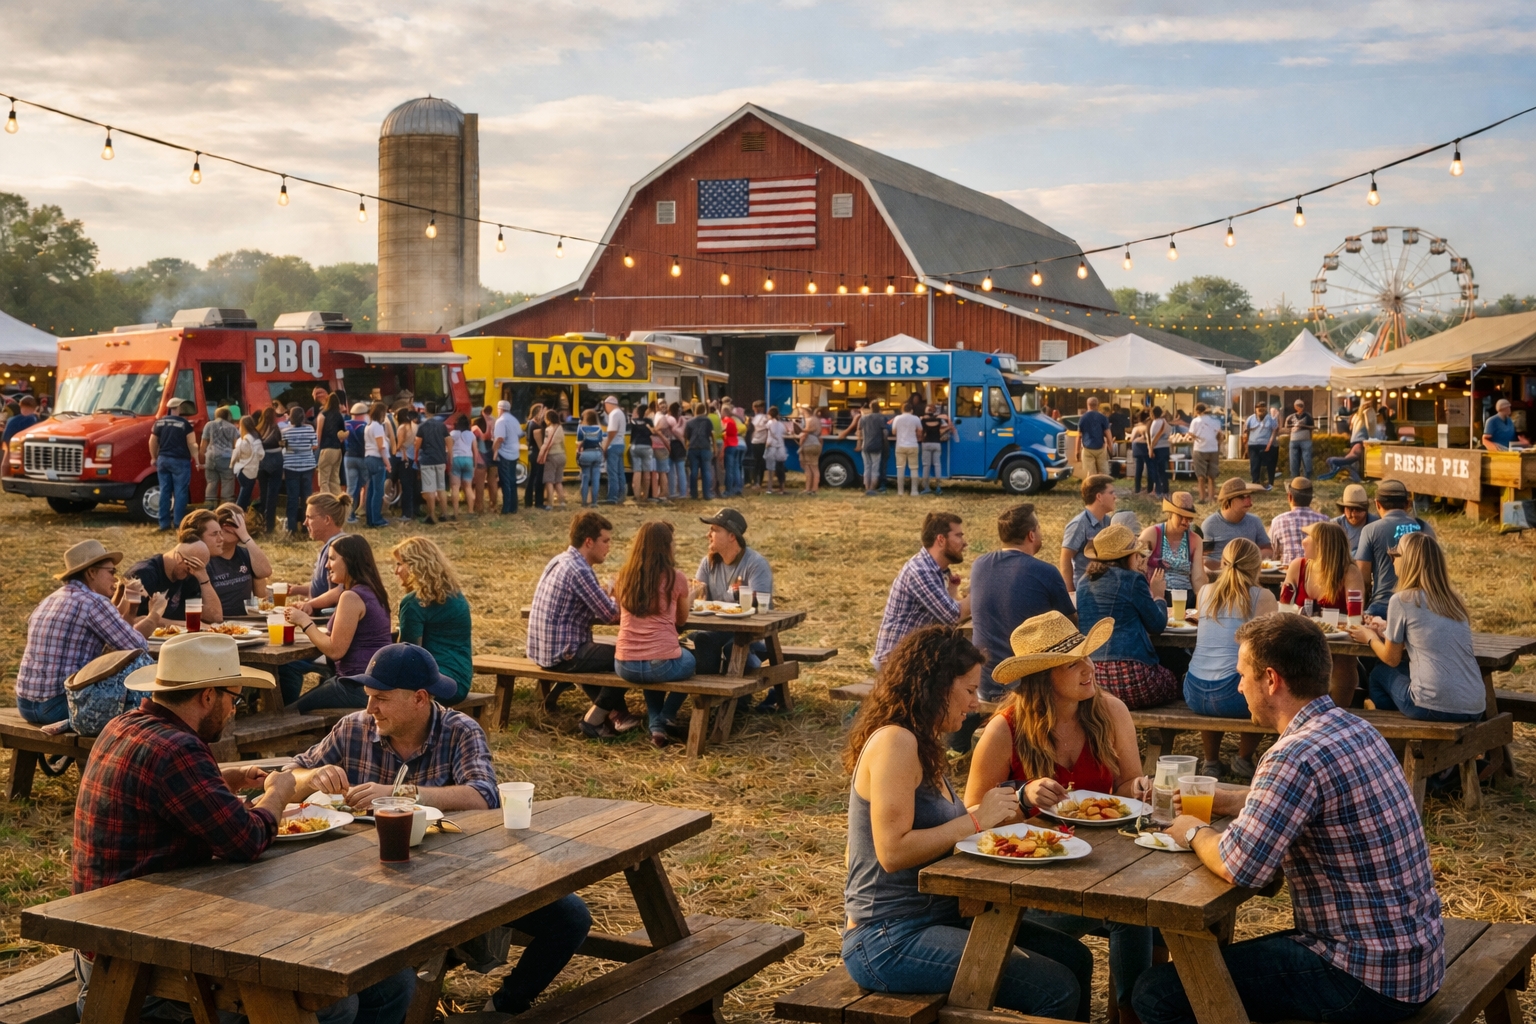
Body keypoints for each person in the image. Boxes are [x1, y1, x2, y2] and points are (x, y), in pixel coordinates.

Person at [70, 632, 419, 1024]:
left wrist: (222, 779)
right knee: (338, 1004)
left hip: (113, 936)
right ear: (207, 696)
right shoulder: (178, 750)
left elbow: (176, 797)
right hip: (144, 960)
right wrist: (279, 792)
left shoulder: (126, 726)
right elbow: (248, 840)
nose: (234, 710)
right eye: (233, 699)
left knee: (392, 982)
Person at [1134, 614, 1445, 1024]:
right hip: (1412, 960)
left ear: (1271, 679)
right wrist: (1230, 800)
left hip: (1363, 978)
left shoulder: (1291, 755)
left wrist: (1192, 830)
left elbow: (1240, 866)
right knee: (1209, 972)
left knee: (1159, 993)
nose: (1238, 685)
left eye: (1242, 674)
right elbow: (1307, 798)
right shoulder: (1354, 728)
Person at [285, 643, 584, 1017]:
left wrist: (401, 794)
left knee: (570, 917)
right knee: (389, 979)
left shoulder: (459, 731)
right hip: (366, 884)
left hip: (461, 878)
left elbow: (484, 795)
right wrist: (312, 776)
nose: (369, 708)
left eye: (381, 698)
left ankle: (505, 1007)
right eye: (368, 697)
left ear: (420, 699)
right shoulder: (353, 729)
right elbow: (284, 780)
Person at [841, 625, 1083, 1021]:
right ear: (935, 685)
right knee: (1055, 987)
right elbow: (892, 851)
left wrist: (1015, 801)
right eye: (969, 690)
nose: (975, 703)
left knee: (1074, 958)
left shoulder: (922, 742)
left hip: (939, 917)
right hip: (887, 938)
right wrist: (975, 819)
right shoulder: (895, 742)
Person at [968, 612, 1155, 1016]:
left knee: (1139, 914)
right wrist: (1021, 796)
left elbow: (1127, 787)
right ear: (1041, 676)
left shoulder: (1111, 711)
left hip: (1102, 869)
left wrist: (1138, 789)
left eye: (1087, 656)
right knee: (1124, 926)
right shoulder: (1004, 730)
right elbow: (970, 817)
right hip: (1033, 886)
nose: (1089, 668)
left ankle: (1130, 1015)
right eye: (1074, 662)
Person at [1349, 532, 1484, 724]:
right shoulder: (1454, 602)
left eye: (1395, 555)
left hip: (1430, 707)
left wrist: (1369, 636)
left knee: (1379, 673)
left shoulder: (1402, 600)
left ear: (1409, 562)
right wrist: (1387, 627)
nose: (1392, 560)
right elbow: (1428, 633)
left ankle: (1392, 730)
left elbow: (1392, 658)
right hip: (1475, 706)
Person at [527, 512, 642, 737]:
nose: (609, 547)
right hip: (562, 654)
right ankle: (596, 718)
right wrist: (621, 591)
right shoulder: (579, 570)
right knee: (631, 655)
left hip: (543, 650)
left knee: (603, 651)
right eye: (605, 541)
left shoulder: (560, 560)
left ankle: (618, 715)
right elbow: (610, 615)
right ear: (589, 542)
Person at [16, 540, 156, 725]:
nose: (115, 578)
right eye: (111, 572)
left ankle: (64, 754)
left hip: (25, 704)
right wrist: (155, 616)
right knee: (144, 687)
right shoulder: (92, 602)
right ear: (91, 572)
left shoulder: (50, 599)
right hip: (58, 705)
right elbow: (138, 647)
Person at [965, 504, 1076, 712]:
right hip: (1029, 690)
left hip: (986, 683)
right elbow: (1071, 626)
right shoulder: (1045, 572)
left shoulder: (979, 565)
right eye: (1039, 528)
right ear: (1031, 534)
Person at [1184, 538, 1278, 780]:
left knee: (1217, 669)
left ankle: (1211, 761)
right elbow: (1264, 651)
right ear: (1257, 566)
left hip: (1194, 690)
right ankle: (1243, 758)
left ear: (1222, 564)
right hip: (1229, 694)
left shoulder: (1205, 591)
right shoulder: (1262, 596)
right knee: (1266, 683)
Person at [280, 535, 394, 709]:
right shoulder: (373, 591)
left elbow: (335, 651)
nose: (327, 565)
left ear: (349, 560)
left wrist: (304, 621)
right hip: (374, 682)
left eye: (332, 559)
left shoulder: (351, 597)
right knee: (293, 673)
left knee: (287, 715)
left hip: (356, 686)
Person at [1074, 525, 1179, 708]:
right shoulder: (1132, 580)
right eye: (1137, 554)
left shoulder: (1083, 583)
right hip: (1131, 676)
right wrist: (1158, 596)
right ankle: (1162, 733)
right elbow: (1157, 624)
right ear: (1128, 556)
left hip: (1093, 678)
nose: (1138, 558)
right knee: (1174, 678)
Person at [613, 521, 694, 747]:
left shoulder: (624, 576)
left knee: (651, 665)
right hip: (659, 663)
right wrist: (692, 594)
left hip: (624, 664)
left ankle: (657, 729)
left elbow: (620, 612)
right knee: (691, 661)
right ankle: (666, 715)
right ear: (666, 546)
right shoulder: (675, 578)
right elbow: (682, 620)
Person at [689, 508, 775, 696]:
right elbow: (697, 599)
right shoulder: (708, 563)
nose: (708, 535)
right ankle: (707, 698)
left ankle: (738, 703)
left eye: (714, 530)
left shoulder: (755, 564)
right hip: (717, 630)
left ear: (731, 536)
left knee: (733, 646)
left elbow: (761, 605)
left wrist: (738, 597)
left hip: (749, 632)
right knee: (702, 639)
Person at [1285, 520, 1367, 706]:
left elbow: (1355, 619)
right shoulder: (1298, 566)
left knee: (1344, 663)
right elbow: (1284, 610)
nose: (1303, 542)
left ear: (1322, 545)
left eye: (1308, 537)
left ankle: (1337, 714)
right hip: (1303, 642)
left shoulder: (1350, 572)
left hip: (1339, 646)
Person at [873, 512, 970, 669]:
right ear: (941, 539)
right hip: (896, 663)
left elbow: (949, 610)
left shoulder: (936, 570)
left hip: (913, 656)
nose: (964, 543)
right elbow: (953, 616)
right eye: (958, 536)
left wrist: (954, 591)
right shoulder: (921, 570)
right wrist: (982, 589)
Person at [392, 537, 473, 705]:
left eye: (400, 564)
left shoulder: (414, 602)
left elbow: (409, 656)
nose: (396, 571)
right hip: (461, 680)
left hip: (435, 683)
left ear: (416, 565)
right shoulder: (456, 596)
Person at [1356, 479, 1435, 618]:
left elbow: (1364, 578)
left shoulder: (1370, 530)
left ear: (1377, 504)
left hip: (1382, 608)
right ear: (1407, 504)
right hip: (1418, 608)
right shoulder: (1425, 528)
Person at [128, 535, 224, 624]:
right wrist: (183, 625)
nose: (192, 571)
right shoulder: (144, 574)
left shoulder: (192, 574)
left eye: (200, 567)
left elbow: (215, 617)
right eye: (191, 566)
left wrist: (204, 579)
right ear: (178, 557)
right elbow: (127, 619)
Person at [1138, 492, 1208, 607]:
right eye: (1181, 516)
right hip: (1155, 594)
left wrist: (1201, 606)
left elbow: (1198, 578)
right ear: (1170, 514)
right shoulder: (1151, 534)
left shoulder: (1195, 540)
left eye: (1189, 518)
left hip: (1185, 596)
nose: (1185, 521)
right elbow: (1138, 568)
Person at [206, 504, 272, 618]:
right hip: (217, 621)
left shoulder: (246, 555)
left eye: (237, 523)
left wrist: (245, 536)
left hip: (245, 621)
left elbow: (265, 572)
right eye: (223, 521)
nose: (229, 525)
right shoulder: (207, 558)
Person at [291, 492, 351, 611]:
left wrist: (310, 604)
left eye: (309, 517)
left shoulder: (340, 549)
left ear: (327, 519)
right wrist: (295, 589)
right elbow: (321, 588)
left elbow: (341, 590)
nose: (305, 523)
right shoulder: (330, 546)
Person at [1060, 474, 1116, 593]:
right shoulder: (1079, 524)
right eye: (1111, 493)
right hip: (1085, 590)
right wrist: (1071, 592)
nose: (1115, 497)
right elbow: (1066, 558)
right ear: (1099, 497)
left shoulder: (1108, 521)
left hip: (1103, 588)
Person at [1201, 477, 1272, 571]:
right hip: (1219, 577)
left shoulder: (1255, 521)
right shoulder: (1209, 525)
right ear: (1229, 500)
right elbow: (1203, 559)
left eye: (1249, 496)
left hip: (1249, 576)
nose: (1249, 501)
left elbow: (1269, 551)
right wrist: (1230, 567)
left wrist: (1247, 560)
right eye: (1243, 497)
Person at [151, 398, 198, 531]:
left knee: (165, 491)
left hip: (163, 460)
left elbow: (152, 441)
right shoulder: (185, 424)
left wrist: (154, 457)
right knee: (180, 492)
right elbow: (192, 444)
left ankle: (164, 523)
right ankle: (178, 523)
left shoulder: (159, 423)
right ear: (178, 408)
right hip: (180, 461)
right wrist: (197, 458)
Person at [1267, 476, 1329, 565]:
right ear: (1311, 498)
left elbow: (1273, 553)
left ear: (1290, 497)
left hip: (1287, 575)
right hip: (1316, 575)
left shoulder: (1278, 521)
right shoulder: (1324, 521)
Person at [281, 404, 318, 536]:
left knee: (292, 498)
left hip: (291, 466)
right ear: (303, 417)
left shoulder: (285, 431)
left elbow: (283, 447)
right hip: (308, 465)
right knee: (306, 498)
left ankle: (291, 528)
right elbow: (315, 445)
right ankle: (307, 526)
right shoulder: (310, 429)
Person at [413, 400, 448, 524]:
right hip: (440, 459)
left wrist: (416, 458)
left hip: (427, 460)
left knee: (430, 489)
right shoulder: (442, 425)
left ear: (425, 411)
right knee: (441, 488)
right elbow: (448, 441)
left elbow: (417, 444)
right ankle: (444, 514)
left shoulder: (422, 426)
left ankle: (431, 515)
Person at [199, 405, 240, 506]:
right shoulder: (233, 428)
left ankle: (209, 508)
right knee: (227, 483)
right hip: (226, 459)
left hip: (211, 458)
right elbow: (236, 446)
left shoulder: (209, 425)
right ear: (228, 416)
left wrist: (201, 460)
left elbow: (203, 445)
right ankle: (225, 509)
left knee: (211, 482)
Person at [361, 401, 391, 528]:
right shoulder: (378, 427)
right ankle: (377, 519)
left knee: (371, 490)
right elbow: (381, 447)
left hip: (368, 458)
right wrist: (387, 463)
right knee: (378, 491)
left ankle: (370, 519)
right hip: (377, 459)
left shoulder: (368, 426)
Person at [1186, 403, 1223, 503]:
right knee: (1212, 476)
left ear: (1197, 411)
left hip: (1200, 449)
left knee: (1201, 476)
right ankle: (1211, 497)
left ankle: (1202, 498)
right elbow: (1220, 435)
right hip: (1213, 448)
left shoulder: (1195, 421)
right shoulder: (1216, 421)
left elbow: (1191, 434)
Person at [492, 400, 521, 514]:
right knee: (513, 480)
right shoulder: (514, 420)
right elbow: (520, 434)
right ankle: (514, 507)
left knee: (505, 482)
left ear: (500, 409)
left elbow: (500, 438)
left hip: (504, 454)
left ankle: (506, 508)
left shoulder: (501, 421)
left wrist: (494, 450)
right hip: (514, 453)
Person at [449, 413, 480, 518]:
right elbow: (475, 451)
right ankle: (470, 511)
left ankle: (456, 512)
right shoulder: (471, 435)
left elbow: (448, 448)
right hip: (468, 459)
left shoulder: (453, 433)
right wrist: (475, 464)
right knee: (468, 487)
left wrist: (448, 461)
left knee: (455, 487)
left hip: (456, 459)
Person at [343, 401, 370, 521]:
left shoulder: (345, 424)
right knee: (368, 484)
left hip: (348, 457)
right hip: (362, 457)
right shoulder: (365, 426)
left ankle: (349, 514)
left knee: (351, 488)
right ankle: (365, 509)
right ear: (364, 413)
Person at [1242, 400, 1279, 489]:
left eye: (1263, 410)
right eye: (1259, 410)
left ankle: (1270, 483)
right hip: (1253, 445)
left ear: (1266, 409)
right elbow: (1245, 433)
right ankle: (1256, 483)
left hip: (1266, 445)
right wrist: (1246, 447)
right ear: (1255, 410)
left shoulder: (1271, 419)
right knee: (1254, 465)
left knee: (1269, 465)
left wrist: (1269, 444)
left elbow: (1274, 431)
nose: (1261, 412)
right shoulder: (1250, 419)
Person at [1332, 483, 1380, 550]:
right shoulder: (1335, 526)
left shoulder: (1376, 525)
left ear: (1365, 509)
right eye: (1350, 509)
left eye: (1358, 509)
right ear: (1344, 509)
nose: (1354, 514)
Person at [316, 392, 346, 496]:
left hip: (326, 449)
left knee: (324, 479)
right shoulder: (339, 416)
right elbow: (342, 435)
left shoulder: (322, 415)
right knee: (334, 479)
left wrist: (316, 448)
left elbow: (318, 435)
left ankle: (326, 502)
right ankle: (338, 502)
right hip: (337, 450)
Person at [231, 413, 264, 510]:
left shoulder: (240, 440)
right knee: (243, 498)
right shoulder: (255, 439)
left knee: (244, 495)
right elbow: (261, 455)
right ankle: (238, 515)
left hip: (240, 469)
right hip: (250, 471)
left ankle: (240, 515)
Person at [891, 401, 924, 495]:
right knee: (914, 468)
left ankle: (900, 491)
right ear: (912, 410)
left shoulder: (897, 418)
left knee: (900, 468)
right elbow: (920, 431)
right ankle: (914, 491)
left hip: (900, 445)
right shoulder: (916, 418)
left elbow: (893, 432)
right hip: (913, 445)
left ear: (902, 409)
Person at [684, 401, 716, 499]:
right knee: (706, 471)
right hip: (705, 447)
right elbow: (712, 434)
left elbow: (686, 436)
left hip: (693, 448)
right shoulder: (708, 421)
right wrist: (715, 447)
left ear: (695, 410)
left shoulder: (689, 422)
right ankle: (707, 494)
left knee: (693, 471)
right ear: (704, 410)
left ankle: (694, 494)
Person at [1075, 396, 1111, 479]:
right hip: (1101, 448)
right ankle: (1103, 488)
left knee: (1091, 475)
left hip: (1087, 449)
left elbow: (1079, 436)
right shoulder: (1103, 417)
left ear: (1087, 405)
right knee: (1104, 473)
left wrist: (1077, 451)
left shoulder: (1083, 418)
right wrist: (1110, 447)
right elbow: (1108, 434)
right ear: (1097, 405)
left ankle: (1092, 489)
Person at [625, 402, 654, 503]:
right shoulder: (649, 421)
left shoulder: (633, 421)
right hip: (647, 446)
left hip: (635, 446)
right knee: (647, 472)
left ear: (638, 412)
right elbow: (652, 432)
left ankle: (637, 496)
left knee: (637, 472)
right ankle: (645, 496)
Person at [575, 408, 605, 506]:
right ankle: (594, 502)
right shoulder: (599, 428)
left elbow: (579, 442)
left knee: (585, 478)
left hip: (586, 453)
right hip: (597, 453)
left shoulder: (581, 428)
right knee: (596, 479)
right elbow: (600, 441)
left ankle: (584, 502)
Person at [601, 395, 627, 505]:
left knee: (612, 472)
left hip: (614, 445)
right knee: (620, 471)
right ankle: (622, 495)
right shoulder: (621, 413)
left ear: (608, 404)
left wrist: (605, 446)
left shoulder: (613, 414)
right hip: (621, 444)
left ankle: (612, 497)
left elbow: (611, 432)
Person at [918, 403, 949, 495]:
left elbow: (920, 432)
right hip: (936, 443)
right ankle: (938, 487)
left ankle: (926, 487)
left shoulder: (922, 420)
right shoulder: (939, 420)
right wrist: (946, 429)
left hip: (926, 443)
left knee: (926, 466)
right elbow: (943, 429)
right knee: (937, 465)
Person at [541, 408, 569, 508]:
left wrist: (542, 455)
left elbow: (546, 444)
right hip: (562, 455)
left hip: (552, 456)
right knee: (558, 481)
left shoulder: (549, 429)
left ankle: (549, 503)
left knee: (549, 480)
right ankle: (562, 502)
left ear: (548, 418)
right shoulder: (560, 428)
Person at [0, 393, 38, 461]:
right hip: (23, 450)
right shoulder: (33, 419)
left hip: (11, 448)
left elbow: (5, 439)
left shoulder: (11, 420)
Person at [761, 405, 789, 494]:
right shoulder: (781, 424)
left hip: (771, 447)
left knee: (770, 469)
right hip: (781, 448)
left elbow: (765, 430)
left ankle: (770, 488)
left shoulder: (769, 423)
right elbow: (786, 432)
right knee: (780, 469)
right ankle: (782, 488)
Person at [796, 406, 824, 495]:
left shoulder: (808, 420)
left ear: (804, 411)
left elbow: (804, 434)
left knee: (809, 469)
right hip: (817, 445)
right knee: (814, 467)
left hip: (809, 445)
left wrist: (800, 445)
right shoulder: (816, 420)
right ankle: (813, 489)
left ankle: (810, 489)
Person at [1285, 399, 1315, 479]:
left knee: (1306, 458)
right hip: (1294, 440)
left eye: (1301, 406)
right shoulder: (1290, 417)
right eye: (1298, 406)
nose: (1300, 407)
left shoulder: (1308, 416)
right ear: (1295, 407)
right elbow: (1287, 428)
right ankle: (1294, 476)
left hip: (1305, 440)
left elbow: (1312, 427)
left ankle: (1307, 476)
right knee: (1293, 459)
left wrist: (1304, 427)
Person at [723, 403, 745, 497]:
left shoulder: (726, 421)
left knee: (729, 469)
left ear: (725, 412)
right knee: (736, 468)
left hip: (729, 445)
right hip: (736, 444)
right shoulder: (733, 420)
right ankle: (738, 488)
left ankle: (729, 490)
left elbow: (723, 432)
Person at [1149, 405, 1172, 498]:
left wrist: (1151, 448)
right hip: (1166, 448)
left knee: (1158, 471)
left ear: (1152, 414)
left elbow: (1154, 437)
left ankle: (1160, 491)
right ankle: (1165, 490)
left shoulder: (1156, 423)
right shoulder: (1165, 422)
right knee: (1163, 471)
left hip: (1158, 448)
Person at [1129, 411, 1152, 494]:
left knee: (1139, 468)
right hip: (1146, 447)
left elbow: (1132, 439)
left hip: (1137, 447)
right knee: (1150, 468)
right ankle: (1150, 488)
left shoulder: (1137, 428)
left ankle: (1137, 488)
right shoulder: (1148, 427)